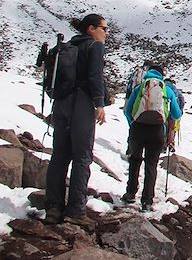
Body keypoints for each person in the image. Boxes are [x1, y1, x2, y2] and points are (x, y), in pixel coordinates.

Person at [44, 14, 110, 225]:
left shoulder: (69, 45)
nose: (106, 33)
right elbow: (95, 76)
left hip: (61, 103)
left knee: (60, 155)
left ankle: (53, 208)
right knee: (82, 156)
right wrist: (99, 103)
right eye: (104, 28)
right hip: (81, 104)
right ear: (91, 29)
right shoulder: (94, 46)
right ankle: (75, 210)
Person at [122, 65, 182, 211]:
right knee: (151, 164)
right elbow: (177, 114)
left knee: (135, 160)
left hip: (138, 128)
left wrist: (133, 123)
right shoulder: (166, 90)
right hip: (157, 131)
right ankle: (147, 201)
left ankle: (130, 193)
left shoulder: (139, 88)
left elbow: (127, 111)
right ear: (162, 75)